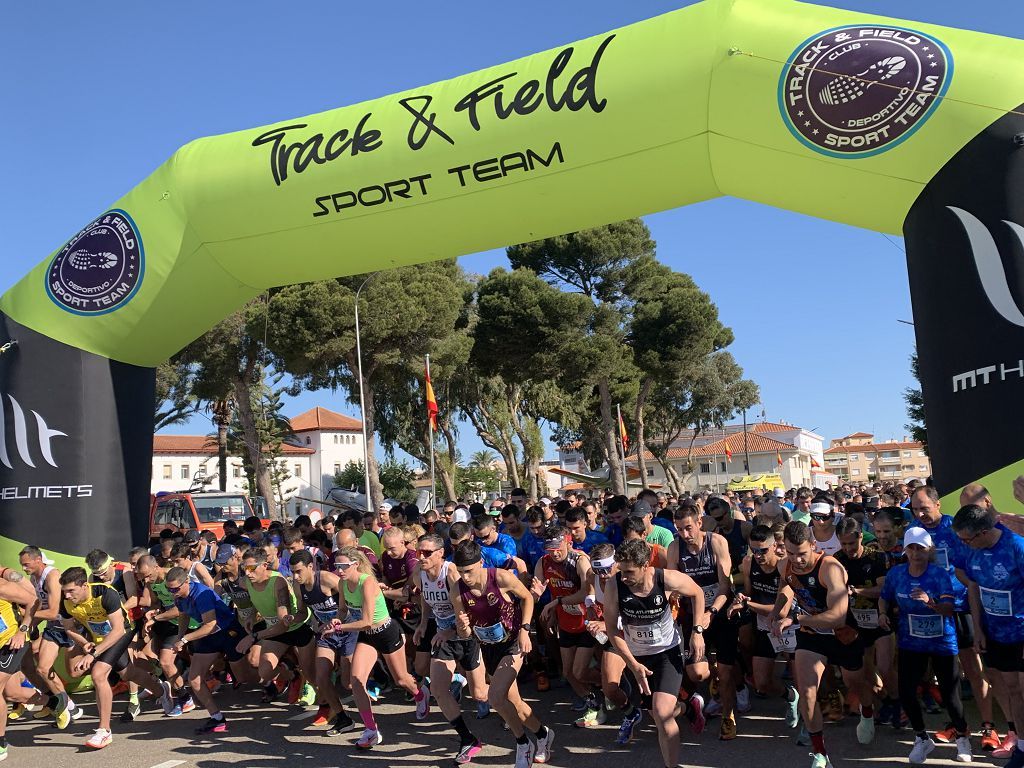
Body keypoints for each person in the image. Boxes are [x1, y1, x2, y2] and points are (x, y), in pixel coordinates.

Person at [770, 521, 875, 768]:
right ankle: (820, 753)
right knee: (807, 692)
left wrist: (795, 618)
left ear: (814, 546)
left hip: (843, 634)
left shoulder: (830, 568)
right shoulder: (785, 564)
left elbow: (837, 616)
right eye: (791, 553)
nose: (796, 560)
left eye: (802, 554)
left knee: (856, 684)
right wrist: (776, 614)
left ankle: (868, 712)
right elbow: (786, 587)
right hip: (811, 634)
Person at [910, 486, 1001, 751]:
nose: (920, 514)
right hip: (932, 610)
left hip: (961, 608)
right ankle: (958, 724)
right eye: (915, 509)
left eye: (924, 508)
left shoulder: (956, 526)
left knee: (974, 670)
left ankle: (988, 726)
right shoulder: (914, 531)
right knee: (947, 675)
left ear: (938, 504)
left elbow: (970, 570)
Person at [603, 539, 706, 768]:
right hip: (637, 657)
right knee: (656, 714)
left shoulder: (665, 578)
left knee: (661, 712)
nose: (625, 577)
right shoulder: (614, 585)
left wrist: (697, 631)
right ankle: (688, 707)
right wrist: (632, 664)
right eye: (621, 570)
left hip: (667, 651)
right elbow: (611, 629)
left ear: (645, 565)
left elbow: (697, 593)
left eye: (629, 571)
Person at [450, 540, 552, 768]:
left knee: (495, 697)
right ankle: (543, 734)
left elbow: (527, 598)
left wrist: (525, 631)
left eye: (469, 571)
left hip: (513, 642)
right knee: (514, 702)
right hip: (488, 647)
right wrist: (462, 625)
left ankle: (523, 744)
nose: (465, 577)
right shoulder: (457, 590)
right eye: (460, 572)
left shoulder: (501, 577)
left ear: (480, 563)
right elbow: (463, 632)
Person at [878, 527, 972, 764]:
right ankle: (921, 738)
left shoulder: (939, 575)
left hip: (942, 641)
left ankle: (962, 737)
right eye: (911, 547)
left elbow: (949, 609)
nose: (916, 552)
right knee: (907, 693)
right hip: (911, 642)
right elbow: (885, 596)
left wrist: (930, 603)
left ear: (929, 549)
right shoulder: (897, 574)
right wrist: (881, 613)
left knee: (950, 695)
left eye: (921, 548)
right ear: (905, 550)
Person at [59, 567, 174, 749]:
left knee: (98, 674)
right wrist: (84, 643)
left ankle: (104, 731)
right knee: (128, 674)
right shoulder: (65, 601)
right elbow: (69, 628)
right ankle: (161, 690)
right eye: (64, 591)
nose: (66, 595)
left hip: (121, 632)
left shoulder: (105, 593)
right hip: (98, 639)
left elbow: (118, 630)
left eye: (71, 590)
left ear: (84, 585)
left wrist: (93, 653)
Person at [953, 504, 1024, 768]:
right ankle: (1022, 749)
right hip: (996, 633)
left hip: (1022, 631)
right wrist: (979, 629)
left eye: (966, 540)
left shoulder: (1016, 546)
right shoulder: (973, 551)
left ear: (983, 532)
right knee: (1013, 691)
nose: (963, 545)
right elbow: (973, 587)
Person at [331, 546, 423, 749]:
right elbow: (343, 609)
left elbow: (367, 621)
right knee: (356, 681)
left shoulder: (368, 582)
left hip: (386, 632)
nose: (339, 570)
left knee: (401, 679)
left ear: (355, 564)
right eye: (336, 566)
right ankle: (371, 730)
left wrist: (339, 627)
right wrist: (336, 618)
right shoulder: (342, 583)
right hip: (367, 636)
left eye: (343, 566)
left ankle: (420, 693)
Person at [412, 533, 486, 764]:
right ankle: (468, 739)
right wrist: (424, 623)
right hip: (443, 637)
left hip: (467, 633)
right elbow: (425, 597)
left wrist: (451, 630)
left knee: (480, 693)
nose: (421, 557)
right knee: (438, 689)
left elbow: (471, 607)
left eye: (427, 553)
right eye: (418, 552)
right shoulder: (419, 573)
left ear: (440, 553)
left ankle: (514, 711)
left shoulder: (452, 573)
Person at [668, 501, 740, 739]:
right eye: (680, 529)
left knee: (728, 673)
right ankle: (712, 678)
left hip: (720, 611)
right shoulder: (675, 548)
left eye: (688, 528)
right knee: (698, 673)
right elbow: (671, 583)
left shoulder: (717, 542)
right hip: (692, 614)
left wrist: (712, 613)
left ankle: (728, 714)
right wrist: (673, 597)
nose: (685, 534)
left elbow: (725, 585)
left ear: (699, 522)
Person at [165, 566, 247, 734]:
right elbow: (183, 615)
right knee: (195, 680)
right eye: (169, 589)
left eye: (175, 588)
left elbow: (210, 625)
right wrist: (180, 637)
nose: (172, 592)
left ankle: (274, 681)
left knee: (244, 677)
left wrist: (185, 639)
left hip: (228, 630)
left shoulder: (202, 594)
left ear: (187, 581)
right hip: (209, 635)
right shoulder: (179, 596)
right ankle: (217, 718)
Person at [533, 526, 601, 727]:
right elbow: (536, 591)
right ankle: (593, 702)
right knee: (568, 673)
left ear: (569, 543)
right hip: (566, 623)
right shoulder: (543, 562)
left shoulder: (580, 561)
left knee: (580, 671)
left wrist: (557, 602)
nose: (554, 552)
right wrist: (534, 594)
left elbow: (587, 593)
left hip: (587, 622)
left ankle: (609, 688)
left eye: (557, 547)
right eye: (549, 548)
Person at [731, 525, 797, 724]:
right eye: (754, 550)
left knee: (803, 680)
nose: (758, 555)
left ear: (775, 546)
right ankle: (791, 697)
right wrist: (743, 598)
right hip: (764, 627)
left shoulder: (785, 566)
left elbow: (782, 611)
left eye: (763, 550)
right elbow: (750, 593)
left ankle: (808, 716)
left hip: (789, 626)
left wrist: (747, 604)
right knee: (762, 683)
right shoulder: (749, 562)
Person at [834, 517, 897, 727]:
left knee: (886, 667)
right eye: (843, 543)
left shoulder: (876, 557)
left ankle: (899, 705)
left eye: (852, 543)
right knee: (865, 673)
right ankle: (887, 702)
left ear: (861, 536)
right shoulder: (836, 560)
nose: (848, 548)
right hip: (855, 624)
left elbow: (884, 590)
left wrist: (856, 590)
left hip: (880, 620)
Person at [288, 550, 356, 736]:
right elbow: (303, 613)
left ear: (311, 567)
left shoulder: (326, 579)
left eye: (299, 571)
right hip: (326, 635)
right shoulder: (298, 586)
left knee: (348, 683)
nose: (295, 576)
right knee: (321, 677)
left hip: (348, 630)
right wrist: (292, 618)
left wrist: (339, 620)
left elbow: (352, 597)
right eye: (293, 572)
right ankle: (343, 718)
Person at [17, 547, 78, 728]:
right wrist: (30, 625)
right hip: (54, 629)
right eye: (22, 565)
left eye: (26, 565)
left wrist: (27, 617)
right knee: (41, 668)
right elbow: (36, 607)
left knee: (76, 671)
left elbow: (52, 612)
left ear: (38, 560)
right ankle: (67, 706)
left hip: (71, 627)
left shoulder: (52, 576)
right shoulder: (33, 578)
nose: (24, 569)